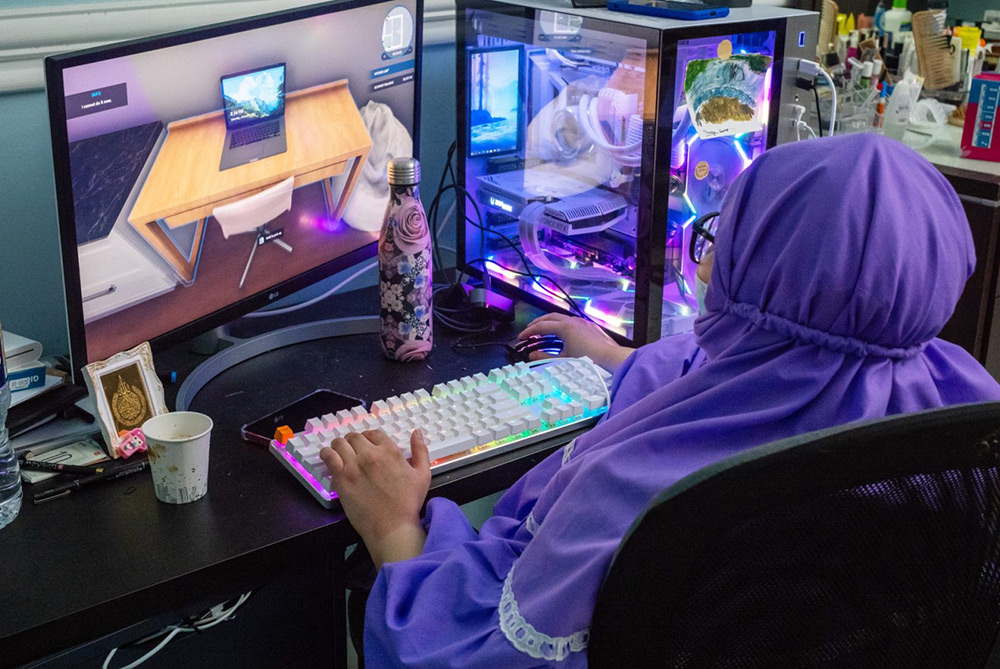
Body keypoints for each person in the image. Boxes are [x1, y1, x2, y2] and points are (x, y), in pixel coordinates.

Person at [319, 134, 1000, 667]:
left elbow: (472, 659)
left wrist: (393, 530)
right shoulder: (960, 408)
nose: (706, 263)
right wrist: (623, 361)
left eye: (721, 244)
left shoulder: (634, 496)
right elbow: (784, 359)